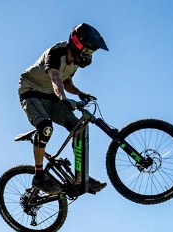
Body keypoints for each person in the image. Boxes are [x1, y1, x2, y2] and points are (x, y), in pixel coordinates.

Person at [18, 22, 109, 194]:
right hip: (31, 91)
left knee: (79, 128)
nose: (89, 56)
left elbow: (66, 82)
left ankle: (81, 178)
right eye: (88, 51)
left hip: (52, 96)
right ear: (77, 44)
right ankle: (39, 177)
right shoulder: (56, 53)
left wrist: (80, 93)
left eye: (92, 53)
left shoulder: (74, 61)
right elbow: (55, 79)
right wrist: (63, 99)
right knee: (45, 128)